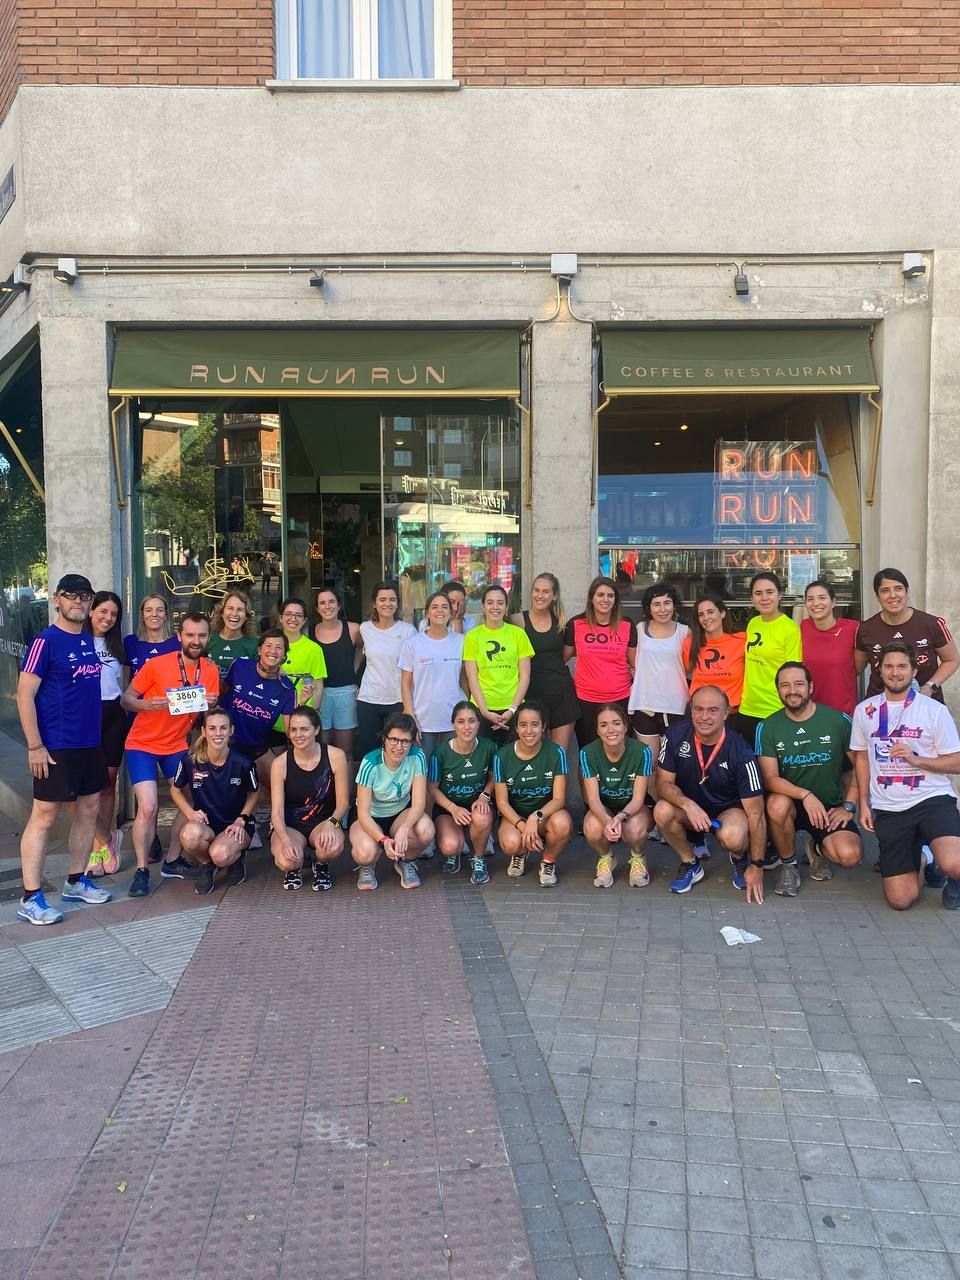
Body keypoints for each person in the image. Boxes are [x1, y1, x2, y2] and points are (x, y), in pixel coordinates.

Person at [15, 573, 112, 925]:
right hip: (55, 745)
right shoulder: (45, 642)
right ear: (57, 599)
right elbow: (24, 694)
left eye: (84, 596)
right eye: (71, 595)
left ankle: (75, 881)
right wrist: (35, 746)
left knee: (88, 810)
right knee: (44, 815)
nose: (78, 602)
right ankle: (30, 897)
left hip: (89, 743)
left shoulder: (87, 640)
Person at [850, 641, 960, 912]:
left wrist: (917, 759)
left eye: (902, 667)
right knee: (900, 900)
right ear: (879, 670)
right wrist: (864, 802)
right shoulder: (865, 710)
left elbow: (957, 762)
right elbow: (861, 757)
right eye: (889, 666)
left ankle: (953, 878)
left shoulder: (933, 710)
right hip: (890, 807)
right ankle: (924, 857)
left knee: (954, 864)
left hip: (931, 799)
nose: (895, 673)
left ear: (914, 671)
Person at [121, 611, 221, 897]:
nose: (195, 640)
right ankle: (142, 870)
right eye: (190, 635)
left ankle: (173, 860)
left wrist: (210, 705)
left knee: (191, 798)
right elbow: (126, 699)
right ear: (179, 636)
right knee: (148, 807)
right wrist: (146, 705)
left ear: (208, 638)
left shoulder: (210, 671)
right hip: (142, 744)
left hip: (176, 745)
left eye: (201, 635)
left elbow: (207, 714)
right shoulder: (156, 665)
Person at [757, 662, 863, 897]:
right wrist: (805, 795)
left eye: (798, 684)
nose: (792, 691)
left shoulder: (838, 721)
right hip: (790, 805)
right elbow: (770, 779)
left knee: (850, 856)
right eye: (785, 685)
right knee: (776, 804)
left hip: (829, 807)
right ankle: (789, 865)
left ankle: (817, 848)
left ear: (811, 687)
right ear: (778, 690)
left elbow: (861, 766)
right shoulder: (767, 727)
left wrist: (849, 806)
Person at [654, 685, 766, 901]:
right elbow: (663, 784)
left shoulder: (741, 751)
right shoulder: (675, 735)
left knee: (734, 836)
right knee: (662, 810)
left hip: (727, 811)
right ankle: (690, 863)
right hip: (690, 809)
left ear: (726, 713)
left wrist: (757, 865)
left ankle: (739, 858)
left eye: (713, 710)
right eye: (699, 709)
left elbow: (756, 814)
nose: (704, 717)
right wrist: (688, 805)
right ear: (691, 710)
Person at [169, 708, 259, 895]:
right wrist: (190, 813)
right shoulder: (190, 761)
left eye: (223, 728)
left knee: (221, 854)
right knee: (189, 835)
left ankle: (235, 858)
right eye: (212, 728)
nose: (218, 733)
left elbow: (254, 793)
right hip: (207, 824)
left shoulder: (243, 762)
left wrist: (241, 819)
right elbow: (175, 790)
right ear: (204, 731)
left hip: (236, 825)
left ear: (231, 730)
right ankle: (206, 864)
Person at [350, 712, 434, 891]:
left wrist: (405, 828)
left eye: (405, 741)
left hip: (400, 814)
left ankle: (406, 861)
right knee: (365, 852)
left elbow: (419, 803)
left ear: (412, 742)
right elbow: (363, 813)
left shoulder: (417, 756)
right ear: (384, 738)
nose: (399, 747)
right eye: (394, 740)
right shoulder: (370, 762)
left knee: (426, 829)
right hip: (371, 817)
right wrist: (383, 840)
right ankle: (367, 866)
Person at [270, 705, 350, 893]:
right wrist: (285, 839)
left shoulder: (336, 756)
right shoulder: (279, 763)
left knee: (331, 847)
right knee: (288, 860)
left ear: (316, 730)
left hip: (324, 821)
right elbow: (276, 812)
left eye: (304, 729)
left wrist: (331, 823)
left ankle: (320, 864)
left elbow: (343, 803)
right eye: (293, 730)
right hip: (290, 825)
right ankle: (294, 868)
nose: (298, 735)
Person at [493, 700, 573, 887]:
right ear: (516, 728)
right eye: (523, 725)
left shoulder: (556, 752)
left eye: (535, 724)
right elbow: (502, 803)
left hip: (546, 814)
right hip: (516, 816)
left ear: (543, 727)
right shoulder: (502, 756)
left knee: (563, 824)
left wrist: (535, 817)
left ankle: (548, 861)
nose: (529, 731)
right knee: (510, 843)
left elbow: (559, 799)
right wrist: (523, 825)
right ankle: (520, 853)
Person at [856, 567, 959, 703]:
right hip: (880, 706)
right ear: (877, 595)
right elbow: (855, 669)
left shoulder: (932, 624)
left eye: (898, 588)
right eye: (885, 590)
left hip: (924, 703)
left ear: (907, 591)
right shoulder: (866, 629)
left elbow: (952, 659)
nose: (893, 595)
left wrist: (930, 686)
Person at [580, 703, 654, 889]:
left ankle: (638, 857)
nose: (610, 730)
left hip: (632, 808)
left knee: (634, 829)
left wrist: (620, 817)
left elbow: (638, 799)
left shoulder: (642, 751)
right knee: (591, 827)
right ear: (597, 730)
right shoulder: (587, 753)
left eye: (616, 723)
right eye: (603, 725)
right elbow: (593, 799)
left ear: (626, 726)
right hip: (604, 807)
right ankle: (606, 858)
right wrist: (607, 820)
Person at [428, 700, 497, 885]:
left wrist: (484, 796)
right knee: (450, 846)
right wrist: (453, 808)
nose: (467, 727)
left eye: (472, 721)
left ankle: (479, 858)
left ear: (478, 723)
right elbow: (432, 789)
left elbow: (494, 779)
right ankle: (457, 849)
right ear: (453, 724)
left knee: (482, 816)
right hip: (449, 807)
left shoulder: (489, 747)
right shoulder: (440, 752)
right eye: (461, 721)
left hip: (478, 803)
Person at [562, 575, 637, 747]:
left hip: (620, 698)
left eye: (610, 595)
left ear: (616, 600)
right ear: (592, 598)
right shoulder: (576, 624)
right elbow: (562, 660)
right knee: (588, 750)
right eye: (600, 595)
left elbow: (634, 663)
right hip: (585, 700)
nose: (606, 600)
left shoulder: (626, 625)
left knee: (619, 748)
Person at [511, 572, 579, 758]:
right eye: (536, 590)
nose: (540, 595)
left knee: (557, 757)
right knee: (534, 757)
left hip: (561, 695)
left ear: (554, 595)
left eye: (546, 591)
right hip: (531, 695)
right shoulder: (517, 621)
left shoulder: (561, 622)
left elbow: (564, 656)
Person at [84, 591, 127, 877]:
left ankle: (104, 843)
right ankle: (102, 842)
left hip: (113, 714)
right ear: (91, 611)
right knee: (88, 786)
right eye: (103, 611)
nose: (108, 618)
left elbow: (126, 682)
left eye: (113, 614)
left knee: (108, 783)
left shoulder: (118, 644)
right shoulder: (77, 641)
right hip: (86, 715)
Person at [221, 628, 297, 788]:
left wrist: (301, 704)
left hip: (257, 747)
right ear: (259, 650)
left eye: (279, 647)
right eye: (268, 645)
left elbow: (291, 732)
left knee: (282, 787)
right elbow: (221, 692)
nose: (273, 651)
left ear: (284, 655)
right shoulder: (239, 665)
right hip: (226, 742)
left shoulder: (288, 689)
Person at [463, 583, 534, 745]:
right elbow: (472, 678)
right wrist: (484, 712)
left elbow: (525, 676)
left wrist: (512, 710)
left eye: (500, 603)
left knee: (513, 757)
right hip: (482, 709)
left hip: (513, 707)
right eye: (490, 602)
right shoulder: (472, 637)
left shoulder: (518, 634)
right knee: (484, 757)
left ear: (506, 606)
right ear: (483, 606)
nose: (495, 607)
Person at [629, 581, 690, 764]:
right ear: (649, 608)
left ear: (674, 605)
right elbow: (631, 659)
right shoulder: (640, 629)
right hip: (644, 703)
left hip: (674, 705)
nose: (662, 609)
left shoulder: (684, 632)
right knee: (649, 763)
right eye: (656, 604)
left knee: (670, 763)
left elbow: (691, 667)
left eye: (667, 603)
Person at [400, 591, 466, 762]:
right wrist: (410, 714)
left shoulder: (461, 641)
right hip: (423, 720)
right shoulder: (412, 644)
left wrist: (465, 710)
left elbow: (465, 679)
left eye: (445, 607)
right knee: (423, 767)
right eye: (435, 607)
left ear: (451, 612)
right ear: (427, 612)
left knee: (450, 768)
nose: (440, 611)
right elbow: (405, 683)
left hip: (453, 718)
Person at [738, 571, 803, 743]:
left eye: (770, 592)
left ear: (779, 595)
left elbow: (793, 673)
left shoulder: (790, 629)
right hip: (748, 707)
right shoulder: (753, 623)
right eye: (758, 593)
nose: (764, 598)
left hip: (775, 708)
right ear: (752, 599)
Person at [356, 581, 417, 759]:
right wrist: (356, 682)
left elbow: (414, 669)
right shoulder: (364, 628)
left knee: (396, 751)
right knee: (369, 752)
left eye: (392, 599)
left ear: (397, 603)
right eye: (382, 599)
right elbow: (360, 653)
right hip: (368, 699)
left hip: (397, 700)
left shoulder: (408, 631)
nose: (387, 603)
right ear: (374, 603)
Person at [313, 585, 361, 762]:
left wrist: (354, 669)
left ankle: (344, 782)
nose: (327, 606)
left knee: (345, 751)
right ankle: (325, 781)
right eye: (322, 603)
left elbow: (362, 650)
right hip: (319, 694)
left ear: (339, 605)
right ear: (317, 608)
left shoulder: (354, 629)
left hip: (346, 693)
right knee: (321, 749)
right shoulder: (309, 631)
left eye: (331, 601)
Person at [800, 579, 860, 716]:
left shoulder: (853, 628)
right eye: (810, 599)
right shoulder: (803, 627)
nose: (816, 603)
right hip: (810, 711)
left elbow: (858, 667)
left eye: (822, 598)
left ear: (833, 602)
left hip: (843, 712)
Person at [685, 593, 747, 724]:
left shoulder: (741, 640)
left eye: (710, 612)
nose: (706, 618)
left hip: (732, 715)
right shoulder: (690, 643)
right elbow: (684, 672)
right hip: (700, 715)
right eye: (701, 614)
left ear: (722, 613)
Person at [276, 596, 327, 730]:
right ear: (280, 617)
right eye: (288, 614)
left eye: (298, 615)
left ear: (304, 620)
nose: (293, 619)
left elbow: (318, 685)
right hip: (273, 716)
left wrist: (312, 714)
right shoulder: (271, 645)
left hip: (301, 718)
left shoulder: (313, 649)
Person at [123, 593, 179, 677]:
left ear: (166, 615)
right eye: (149, 610)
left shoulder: (178, 642)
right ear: (142, 615)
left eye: (160, 610)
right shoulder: (130, 642)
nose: (154, 614)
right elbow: (126, 680)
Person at [207, 590, 259, 678]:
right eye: (230, 608)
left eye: (240, 609)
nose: (234, 614)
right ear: (222, 613)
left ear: (246, 616)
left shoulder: (254, 645)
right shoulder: (208, 638)